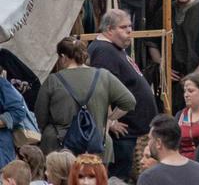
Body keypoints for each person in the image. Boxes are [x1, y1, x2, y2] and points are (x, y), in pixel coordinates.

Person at [34, 38, 135, 166]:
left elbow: (40, 117)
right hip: (96, 144)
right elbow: (129, 101)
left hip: (59, 147)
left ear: (63, 57)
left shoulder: (53, 80)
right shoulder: (103, 76)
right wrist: (108, 120)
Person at [86, 10, 157, 178]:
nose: (129, 31)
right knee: (120, 178)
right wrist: (110, 120)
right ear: (109, 29)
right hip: (124, 134)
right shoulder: (103, 51)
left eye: (130, 26)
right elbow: (102, 89)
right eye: (123, 27)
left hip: (134, 132)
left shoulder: (114, 47)